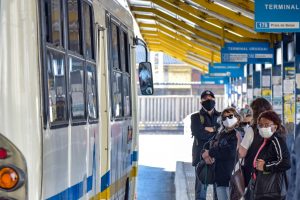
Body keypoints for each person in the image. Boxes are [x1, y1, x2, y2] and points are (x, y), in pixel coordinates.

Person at [201, 107, 240, 200]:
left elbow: (230, 152)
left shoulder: (238, 133)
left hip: (232, 178)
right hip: (219, 177)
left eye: (230, 116)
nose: (227, 120)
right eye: (224, 118)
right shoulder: (221, 133)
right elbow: (208, 145)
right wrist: (204, 153)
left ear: (236, 117)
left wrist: (210, 152)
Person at [250, 110, 291, 200]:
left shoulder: (276, 140)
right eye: (260, 125)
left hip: (271, 192)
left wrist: (265, 166)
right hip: (262, 189)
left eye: (267, 125)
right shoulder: (264, 141)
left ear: (275, 127)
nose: (263, 127)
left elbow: (286, 162)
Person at [191, 90, 220, 200]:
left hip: (217, 157)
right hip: (200, 157)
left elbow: (222, 133)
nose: (209, 101)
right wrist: (215, 131)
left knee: (218, 190)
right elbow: (199, 134)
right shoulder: (195, 117)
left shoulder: (221, 116)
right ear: (201, 101)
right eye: (206, 99)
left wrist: (210, 129)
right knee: (201, 190)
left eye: (211, 99)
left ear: (214, 100)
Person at [238, 97, 272, 186]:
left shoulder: (252, 130)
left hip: (253, 176)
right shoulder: (278, 128)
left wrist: (238, 140)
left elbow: (241, 153)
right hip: (272, 176)